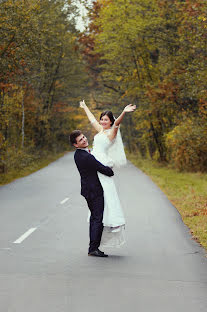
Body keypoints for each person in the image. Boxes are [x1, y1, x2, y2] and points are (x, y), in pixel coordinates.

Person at [79, 100, 136, 248]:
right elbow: (91, 119)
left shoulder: (112, 133)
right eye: (102, 119)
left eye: (106, 120)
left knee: (107, 192)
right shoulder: (100, 131)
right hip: (94, 164)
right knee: (99, 194)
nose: (103, 121)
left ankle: (115, 222)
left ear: (110, 121)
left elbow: (117, 123)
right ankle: (101, 220)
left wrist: (124, 111)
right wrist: (85, 107)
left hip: (102, 164)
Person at [70, 130, 114, 257]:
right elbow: (101, 168)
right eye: (80, 140)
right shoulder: (86, 156)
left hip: (88, 189)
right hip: (93, 190)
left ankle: (93, 247)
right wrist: (110, 170)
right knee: (97, 218)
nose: (84, 140)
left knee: (95, 217)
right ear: (76, 145)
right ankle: (93, 248)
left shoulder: (79, 154)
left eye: (83, 137)